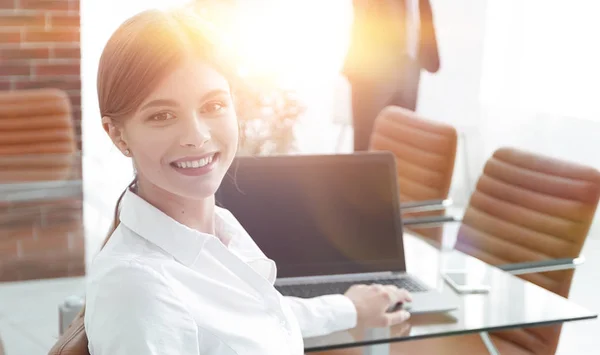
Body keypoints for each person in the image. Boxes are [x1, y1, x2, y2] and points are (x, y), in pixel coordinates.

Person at [84, 7, 412, 355]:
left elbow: (250, 323)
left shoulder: (219, 231)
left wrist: (349, 308)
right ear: (118, 135)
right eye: (162, 115)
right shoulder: (137, 291)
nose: (197, 136)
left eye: (213, 106)